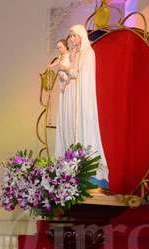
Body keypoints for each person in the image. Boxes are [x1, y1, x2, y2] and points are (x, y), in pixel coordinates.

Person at [53, 24, 110, 190]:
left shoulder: (88, 53)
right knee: (69, 128)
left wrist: (67, 69)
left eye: (74, 36)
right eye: (70, 36)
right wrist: (62, 75)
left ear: (81, 36)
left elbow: (80, 75)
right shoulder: (71, 53)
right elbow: (68, 74)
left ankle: (85, 168)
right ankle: (68, 167)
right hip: (69, 96)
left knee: (81, 129)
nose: (71, 39)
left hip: (81, 99)